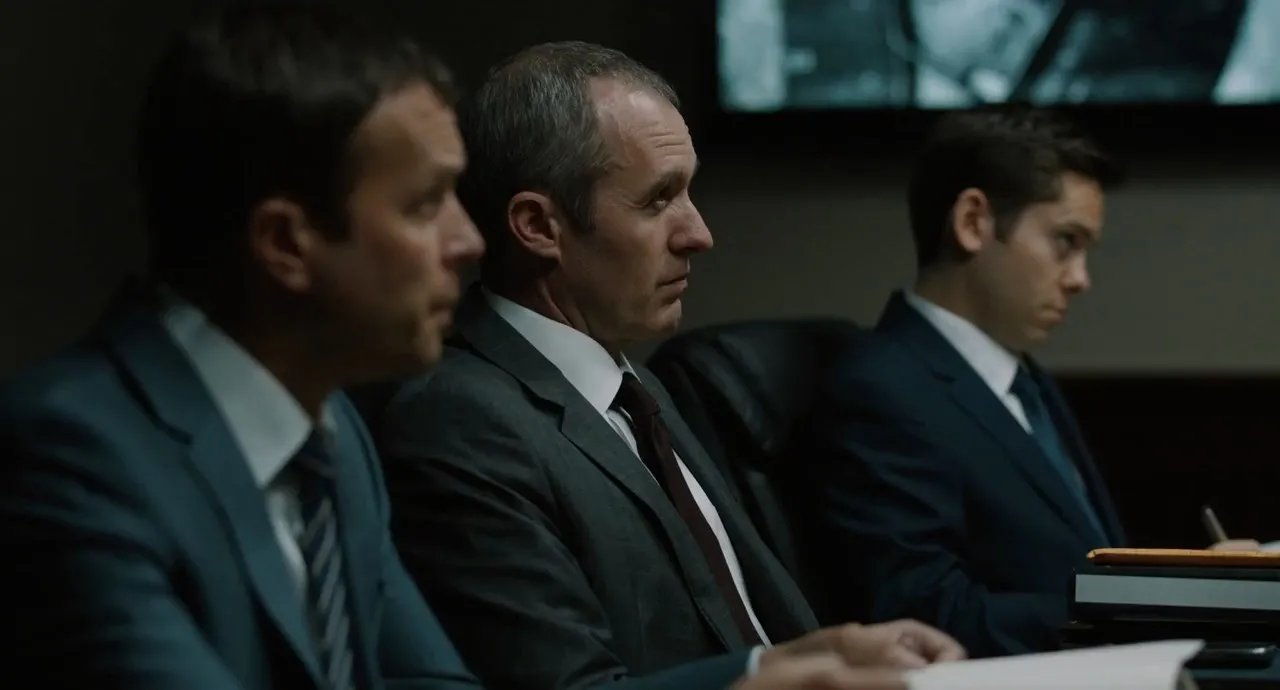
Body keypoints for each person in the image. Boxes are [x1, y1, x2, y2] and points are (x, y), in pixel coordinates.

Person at [364, 41, 965, 690]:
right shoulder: (457, 420)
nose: (699, 233)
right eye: (658, 200)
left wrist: (844, 654)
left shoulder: (634, 388)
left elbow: (750, 630)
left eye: (689, 192)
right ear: (538, 225)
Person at [0, 7, 485, 688]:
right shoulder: (69, 453)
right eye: (425, 203)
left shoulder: (333, 433)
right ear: (286, 243)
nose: (468, 241)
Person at [802, 107, 1251, 659]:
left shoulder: (1020, 376)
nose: (1081, 279)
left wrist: (1201, 586)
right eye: (1066, 241)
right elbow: (929, 614)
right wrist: (1167, 601)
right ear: (973, 222)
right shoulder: (880, 390)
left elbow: (1082, 567)